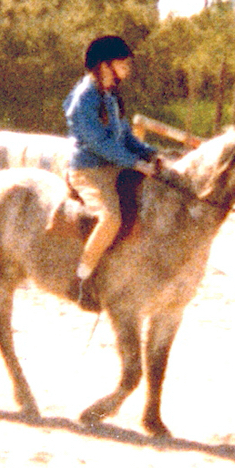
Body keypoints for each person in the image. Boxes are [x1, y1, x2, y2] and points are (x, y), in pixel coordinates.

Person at [63, 35, 159, 308]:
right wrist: (135, 163)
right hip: (89, 170)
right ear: (105, 65)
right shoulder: (85, 98)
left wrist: (149, 153)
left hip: (115, 165)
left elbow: (125, 136)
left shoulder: (111, 95)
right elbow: (100, 143)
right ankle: (81, 280)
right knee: (111, 218)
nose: (128, 67)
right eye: (123, 62)